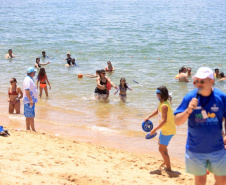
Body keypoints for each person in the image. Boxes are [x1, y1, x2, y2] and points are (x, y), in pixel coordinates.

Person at [174, 67, 226, 185]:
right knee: (200, 182)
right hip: (195, 149)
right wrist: (187, 111)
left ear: (212, 81)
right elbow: (177, 122)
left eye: (202, 81)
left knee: (222, 181)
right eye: (197, 81)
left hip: (217, 149)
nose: (199, 84)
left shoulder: (221, 97)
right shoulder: (189, 97)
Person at [144, 86, 176, 172]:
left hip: (168, 130)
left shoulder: (165, 105)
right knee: (161, 146)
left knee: (161, 149)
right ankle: (166, 161)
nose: (156, 96)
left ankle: (169, 169)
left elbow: (164, 120)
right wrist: (148, 116)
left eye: (157, 95)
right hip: (165, 129)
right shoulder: (162, 103)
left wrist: (154, 129)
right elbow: (157, 110)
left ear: (161, 95)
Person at [23, 67, 38, 131]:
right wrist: (31, 100)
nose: (35, 73)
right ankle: (33, 129)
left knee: (28, 116)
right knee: (31, 116)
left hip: (28, 100)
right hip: (29, 101)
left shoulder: (29, 79)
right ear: (32, 73)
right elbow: (27, 90)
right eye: (34, 72)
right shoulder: (28, 80)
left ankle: (28, 128)